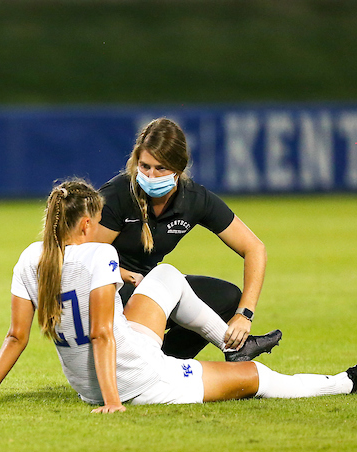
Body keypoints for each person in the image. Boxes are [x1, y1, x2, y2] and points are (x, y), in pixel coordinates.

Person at [0, 179, 357, 413]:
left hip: (92, 378)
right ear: (84, 225)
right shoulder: (99, 256)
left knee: (168, 275)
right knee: (256, 379)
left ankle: (232, 342)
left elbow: (16, 337)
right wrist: (114, 403)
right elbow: (101, 335)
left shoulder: (29, 258)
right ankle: (343, 383)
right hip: (139, 376)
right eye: (95, 221)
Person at [94, 117, 269, 360]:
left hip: (148, 287)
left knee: (227, 298)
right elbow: (85, 258)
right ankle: (125, 362)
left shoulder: (194, 200)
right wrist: (125, 275)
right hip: (111, 289)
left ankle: (165, 361)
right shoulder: (117, 195)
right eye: (145, 166)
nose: (151, 176)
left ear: (178, 169)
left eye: (161, 168)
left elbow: (254, 248)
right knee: (145, 287)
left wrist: (244, 314)